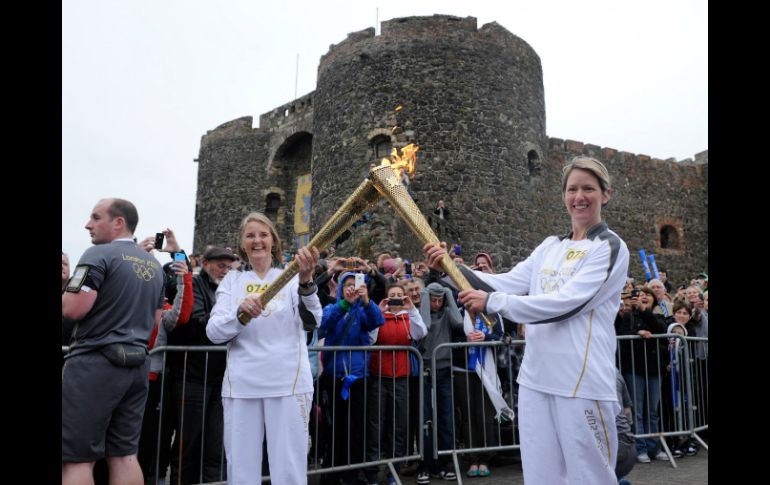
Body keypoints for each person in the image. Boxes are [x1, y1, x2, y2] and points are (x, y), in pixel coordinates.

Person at [425, 156, 629, 484]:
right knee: (540, 476)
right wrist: (450, 268)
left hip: (582, 382)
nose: (579, 196)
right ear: (563, 195)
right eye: (572, 188)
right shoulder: (550, 246)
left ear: (606, 194)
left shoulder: (608, 247)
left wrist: (494, 303)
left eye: (588, 188)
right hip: (536, 379)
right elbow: (504, 281)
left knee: (589, 477)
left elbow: (568, 304)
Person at [205, 212, 322, 484]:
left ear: (273, 241)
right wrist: (238, 313)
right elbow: (213, 332)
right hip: (242, 385)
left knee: (289, 468)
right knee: (241, 469)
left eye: (263, 235)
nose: (257, 241)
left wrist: (306, 282)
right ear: (242, 243)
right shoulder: (232, 281)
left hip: (288, 383)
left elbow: (313, 321)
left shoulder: (291, 277)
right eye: (250, 236)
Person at [62, 198, 165, 485]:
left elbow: (73, 309)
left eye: (96, 217)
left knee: (78, 458)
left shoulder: (98, 255)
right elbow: (156, 321)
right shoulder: (153, 265)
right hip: (136, 365)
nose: (87, 224)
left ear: (118, 222)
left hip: (94, 364)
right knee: (124, 454)